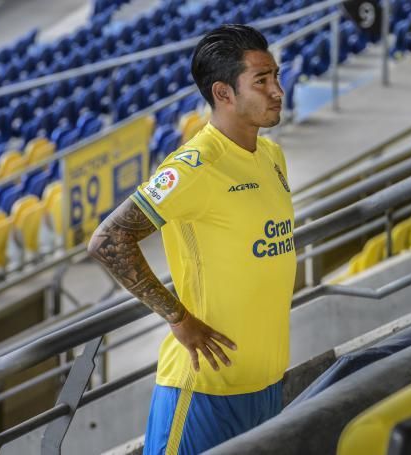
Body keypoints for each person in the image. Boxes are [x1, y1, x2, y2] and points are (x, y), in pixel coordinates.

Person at [88, 24, 295, 454]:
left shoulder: (271, 156)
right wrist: (178, 318)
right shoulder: (194, 166)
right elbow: (108, 240)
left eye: (276, 75)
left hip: (266, 384)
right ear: (223, 93)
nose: (277, 90)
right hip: (204, 389)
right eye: (262, 80)